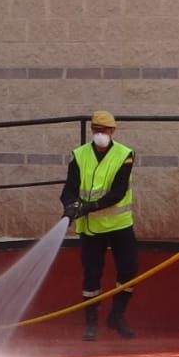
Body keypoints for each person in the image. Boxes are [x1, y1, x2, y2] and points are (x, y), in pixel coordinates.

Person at [59, 110, 138, 340]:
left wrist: (89, 206)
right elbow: (69, 188)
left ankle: (117, 316)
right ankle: (91, 322)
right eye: (96, 129)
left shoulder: (125, 155)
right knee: (92, 274)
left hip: (119, 224)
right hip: (91, 228)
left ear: (113, 131)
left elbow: (118, 192)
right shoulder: (79, 155)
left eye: (104, 130)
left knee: (129, 270)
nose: (100, 133)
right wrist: (70, 206)